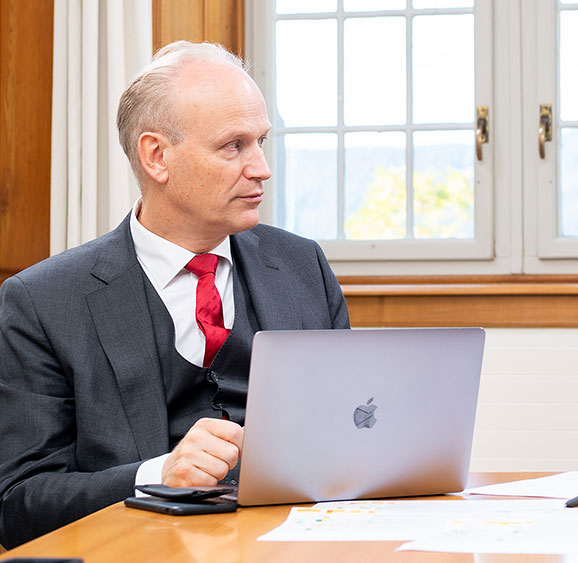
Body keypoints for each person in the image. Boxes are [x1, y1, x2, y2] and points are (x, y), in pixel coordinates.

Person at [0, 41, 350, 548]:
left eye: (261, 142)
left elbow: (353, 437)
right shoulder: (42, 303)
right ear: (156, 156)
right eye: (234, 146)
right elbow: (17, 504)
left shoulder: (303, 267)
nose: (261, 168)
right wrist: (158, 473)